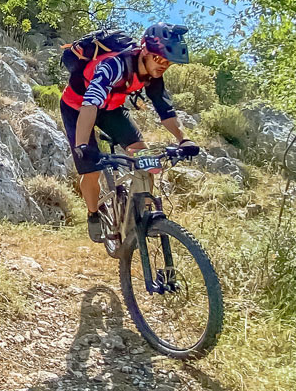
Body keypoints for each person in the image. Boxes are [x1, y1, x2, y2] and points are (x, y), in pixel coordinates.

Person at [60, 22, 200, 242]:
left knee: (146, 160)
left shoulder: (153, 75)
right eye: (159, 59)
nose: (163, 66)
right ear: (144, 50)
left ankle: (141, 220)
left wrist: (184, 139)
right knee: (92, 171)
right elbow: (90, 104)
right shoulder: (113, 65)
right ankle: (93, 214)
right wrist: (82, 146)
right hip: (78, 107)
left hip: (111, 109)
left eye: (168, 62)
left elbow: (166, 111)